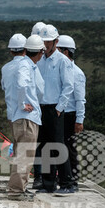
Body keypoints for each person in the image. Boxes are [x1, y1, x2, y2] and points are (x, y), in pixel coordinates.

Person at [5, 34, 45, 200]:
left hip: (20, 117)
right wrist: (23, 104)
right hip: (26, 117)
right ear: (40, 52)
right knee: (24, 155)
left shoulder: (18, 65)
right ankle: (16, 191)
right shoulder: (26, 66)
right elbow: (23, 85)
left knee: (22, 154)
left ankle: (20, 187)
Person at [35, 24, 74, 194]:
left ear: (56, 42)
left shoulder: (62, 61)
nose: (45, 45)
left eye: (48, 41)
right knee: (44, 146)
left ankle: (67, 183)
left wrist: (60, 108)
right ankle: (47, 184)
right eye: (43, 41)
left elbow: (68, 86)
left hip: (55, 109)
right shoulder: (40, 60)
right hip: (41, 107)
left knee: (58, 146)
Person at [58, 34, 85, 192]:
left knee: (70, 149)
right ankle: (62, 178)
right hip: (61, 114)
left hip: (71, 115)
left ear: (66, 52)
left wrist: (79, 120)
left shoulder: (77, 73)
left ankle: (73, 181)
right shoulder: (61, 70)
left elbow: (80, 99)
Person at [1, 33, 27, 121]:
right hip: (25, 115)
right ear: (26, 49)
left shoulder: (5, 68)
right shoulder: (29, 66)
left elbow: (4, 87)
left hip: (11, 114)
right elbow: (23, 85)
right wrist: (22, 105)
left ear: (11, 51)